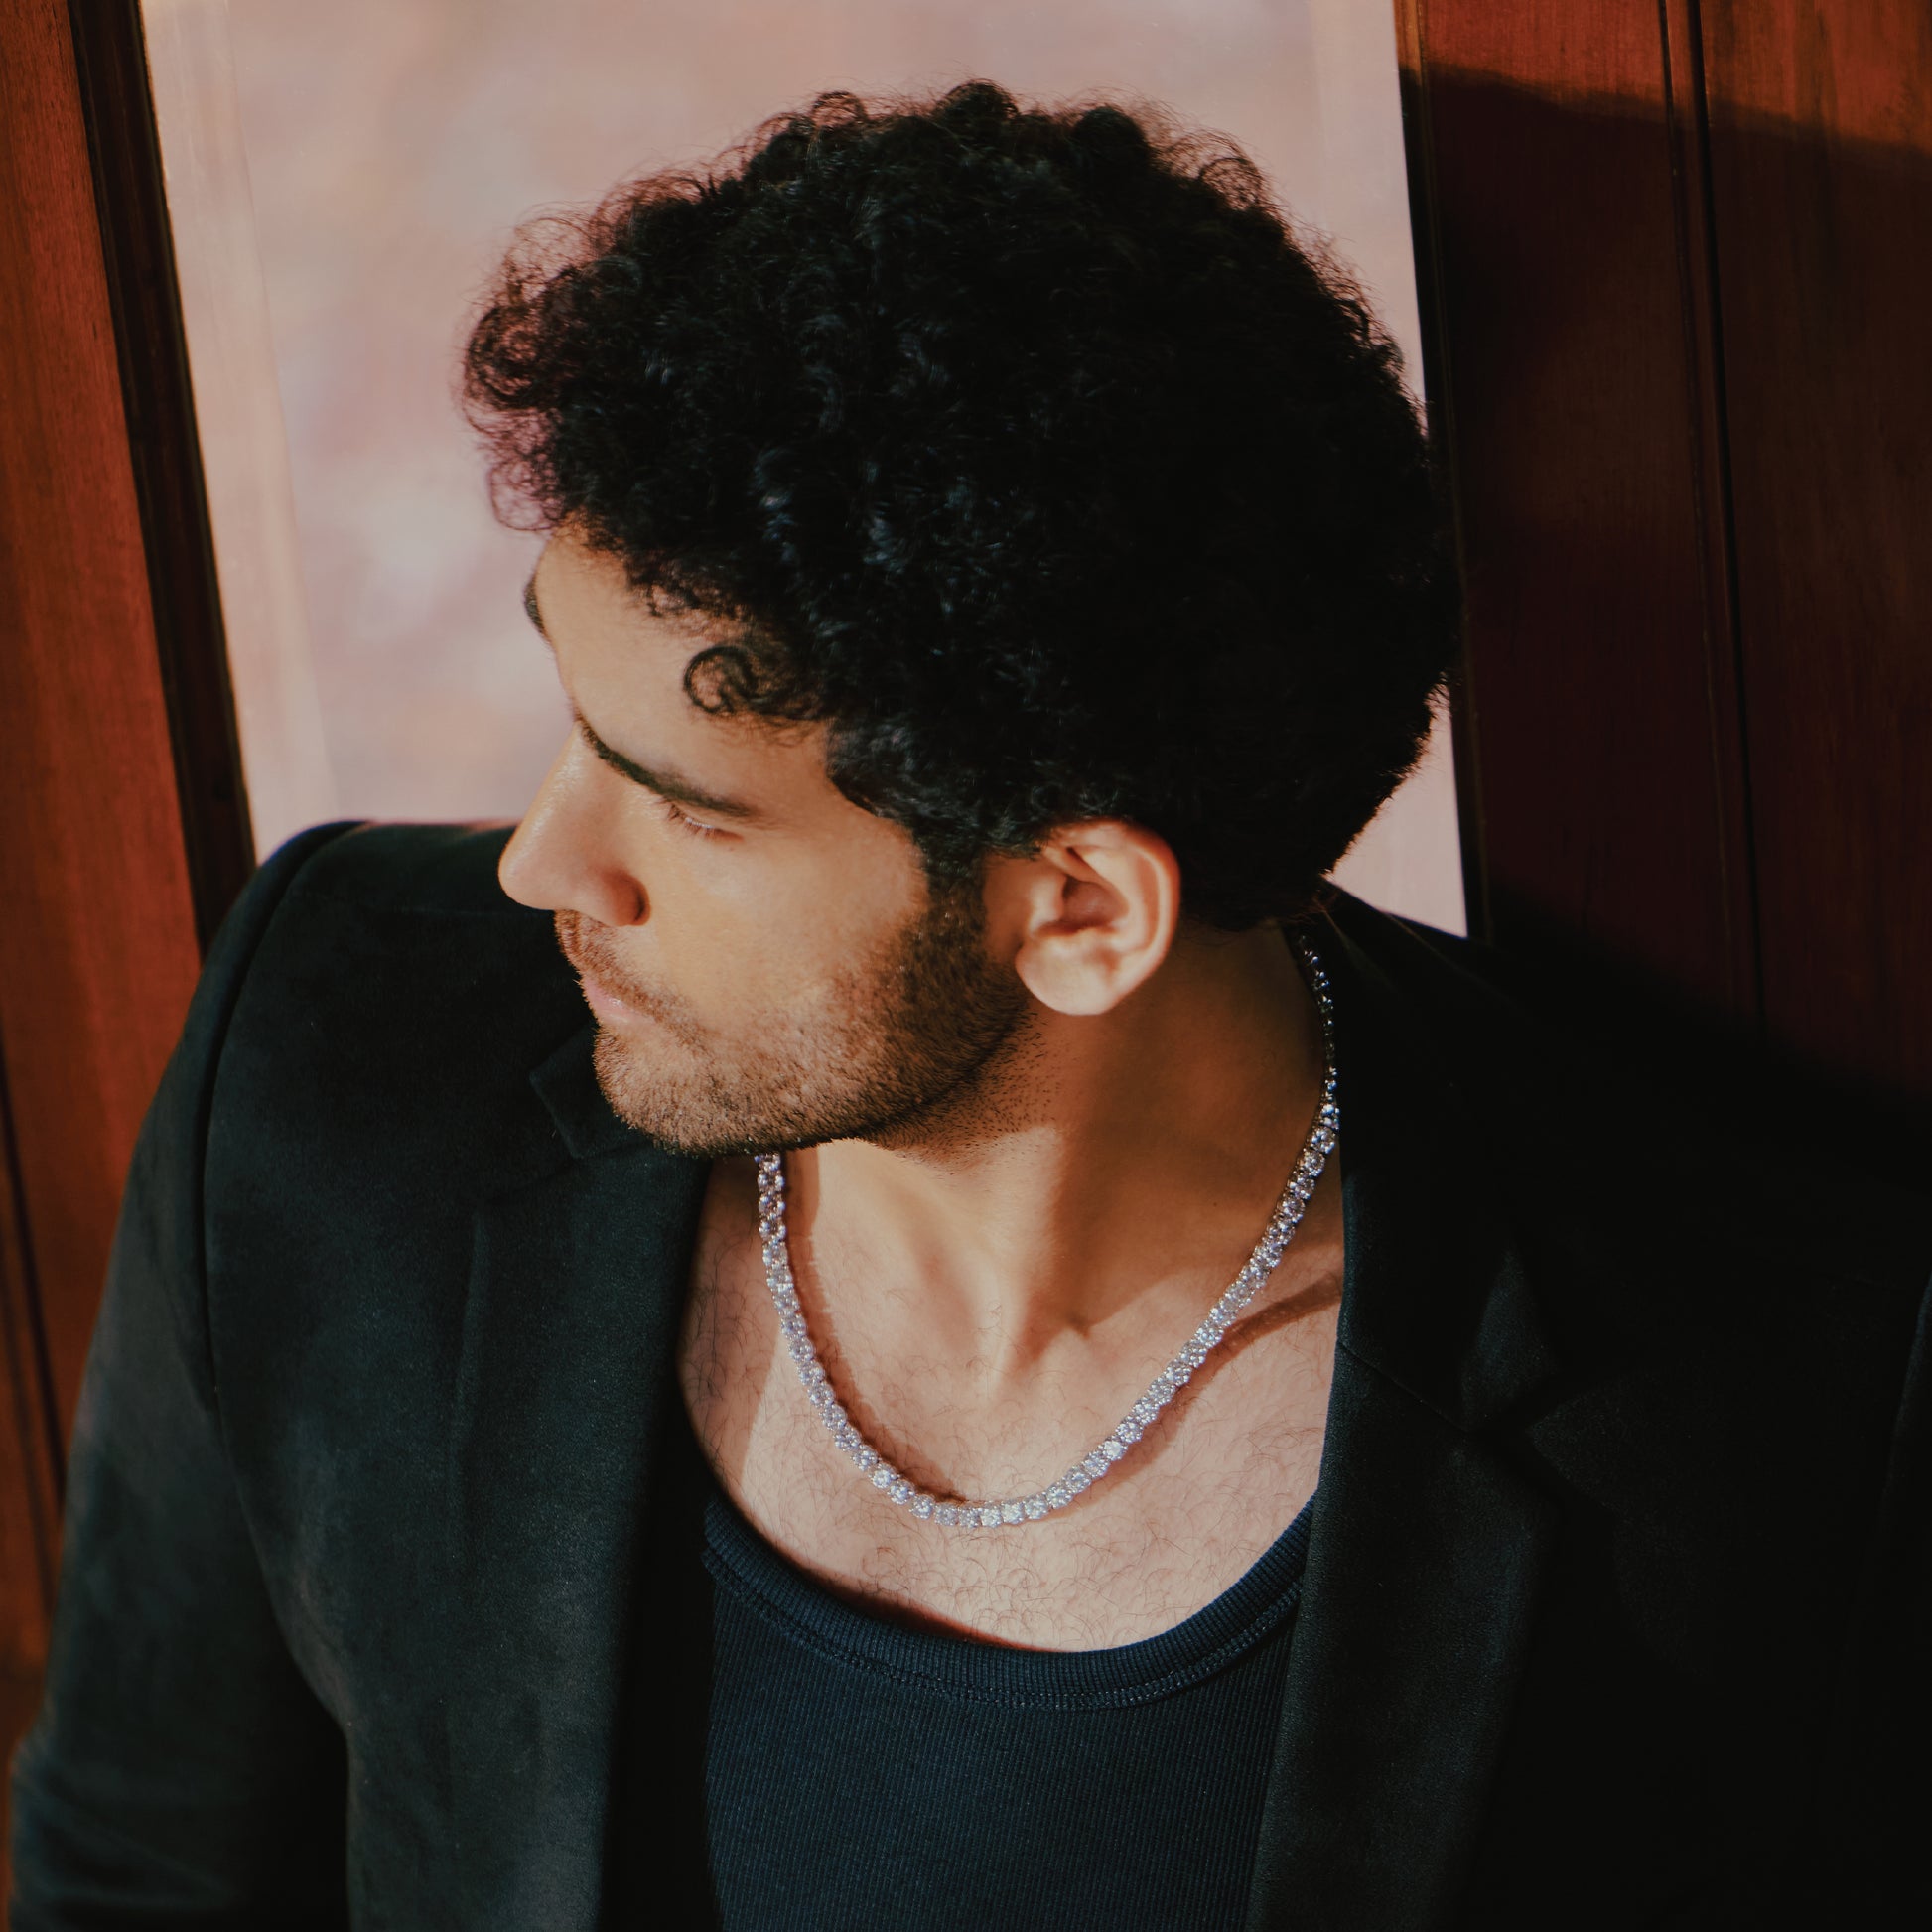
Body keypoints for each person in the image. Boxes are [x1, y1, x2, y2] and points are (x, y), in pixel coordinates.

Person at [9, 81, 1928, 1931]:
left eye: (687, 808)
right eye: (574, 725)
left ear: (1080, 910)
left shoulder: (1776, 1419)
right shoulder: (334, 1055)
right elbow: (140, 1878)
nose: (539, 864)